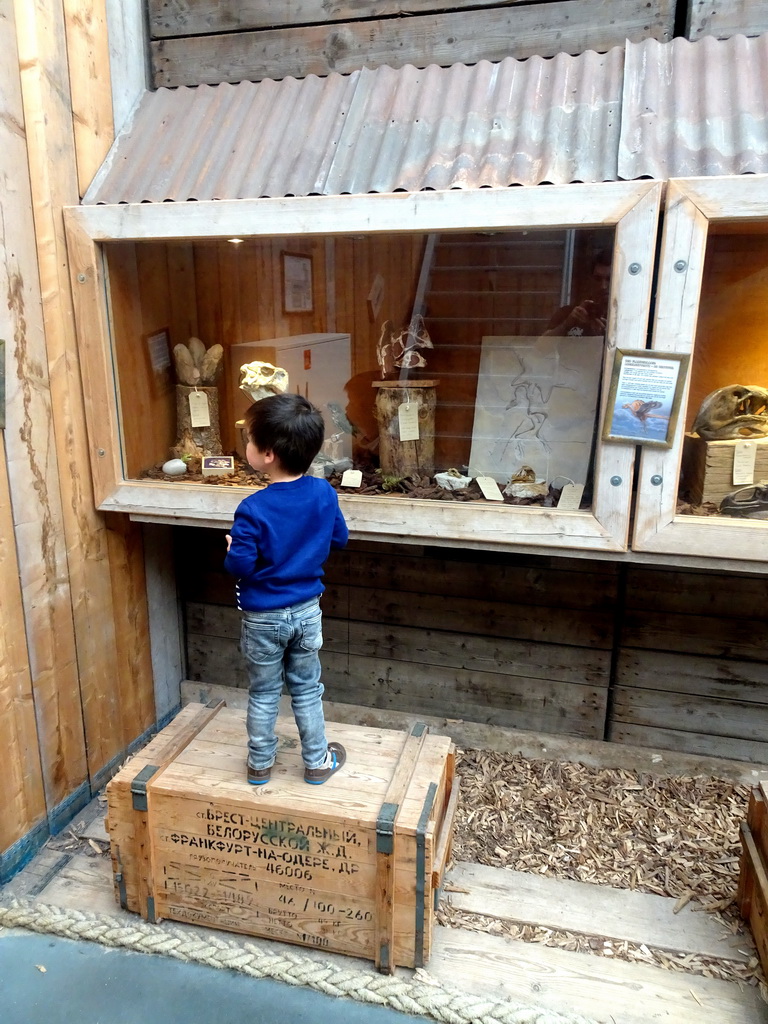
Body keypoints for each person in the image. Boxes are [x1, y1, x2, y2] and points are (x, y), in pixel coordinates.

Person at [224, 393, 349, 786]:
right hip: (307, 611)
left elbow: (239, 567)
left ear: (267, 454)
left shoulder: (252, 507)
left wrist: (232, 549)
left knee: (263, 693)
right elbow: (340, 539)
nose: (246, 445)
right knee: (307, 689)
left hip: (262, 617)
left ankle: (260, 765)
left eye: (249, 439)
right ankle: (316, 762)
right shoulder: (323, 492)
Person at [541, 249, 612, 337]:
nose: (603, 286)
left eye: (609, 279)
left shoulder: (625, 320)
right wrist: (567, 325)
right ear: (590, 279)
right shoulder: (569, 314)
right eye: (597, 279)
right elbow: (541, 348)